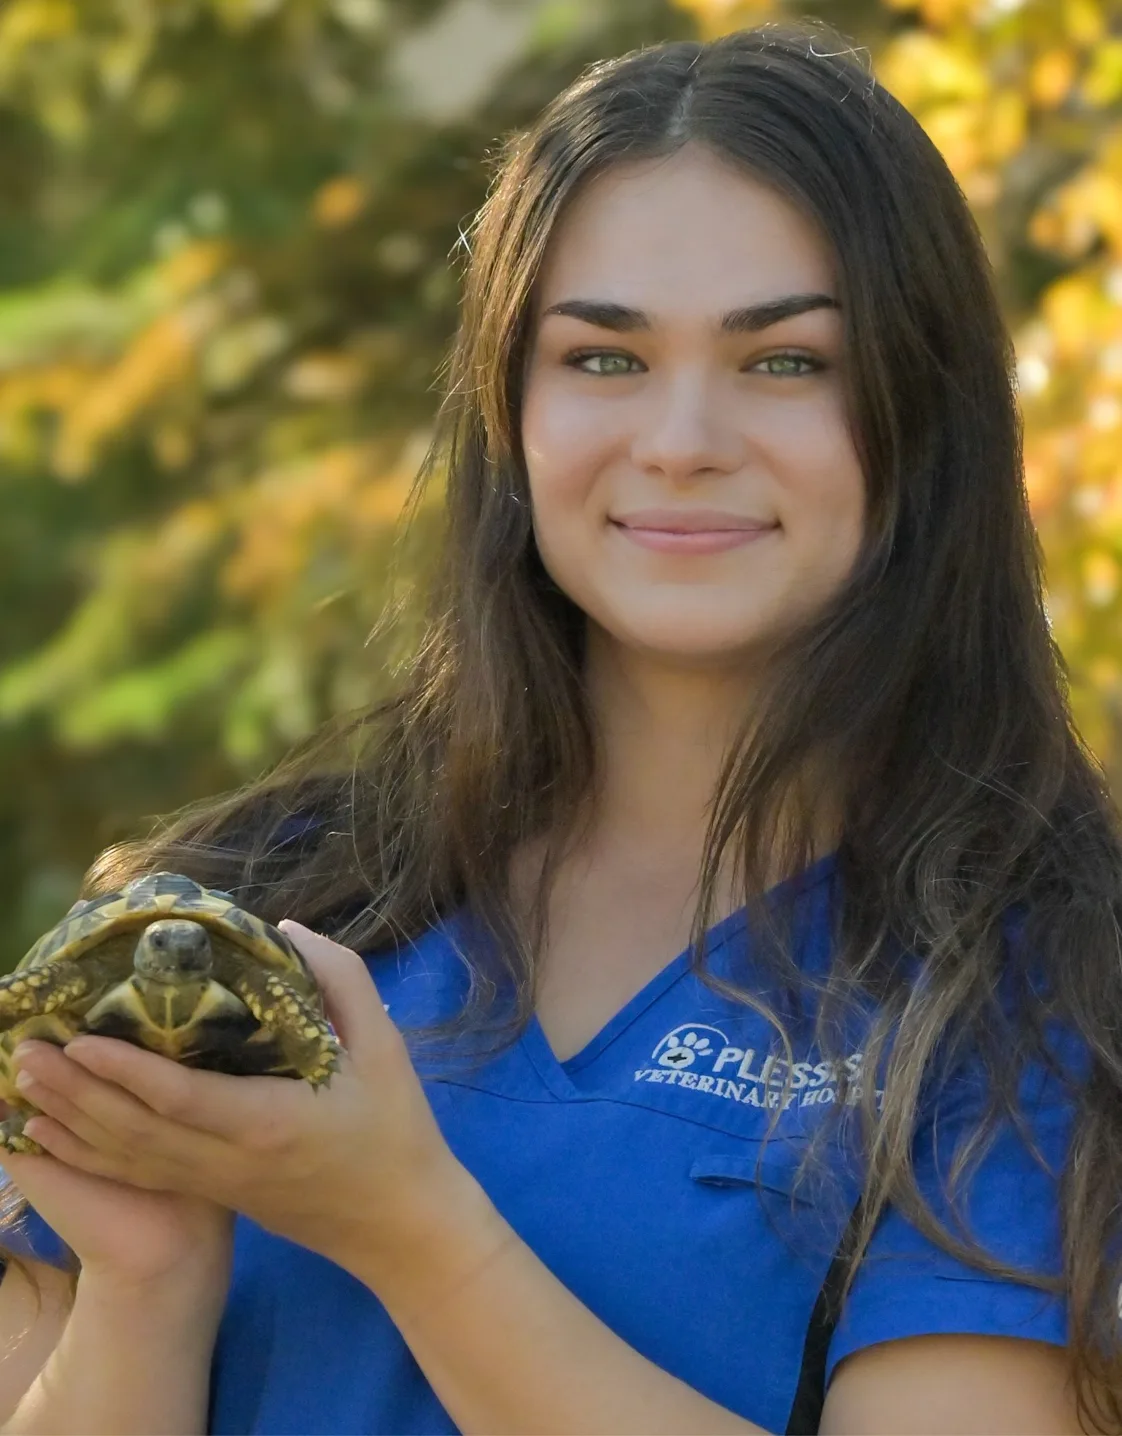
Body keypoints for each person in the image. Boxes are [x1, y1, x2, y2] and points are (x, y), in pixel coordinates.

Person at [0, 17, 1118, 1435]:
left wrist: (409, 1229)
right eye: (601, 360)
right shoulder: (233, 914)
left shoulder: (1038, 995)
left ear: (923, 412)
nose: (680, 439)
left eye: (784, 362)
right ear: (505, 412)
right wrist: (144, 1287)